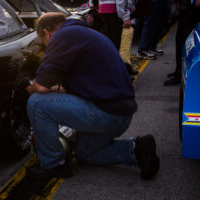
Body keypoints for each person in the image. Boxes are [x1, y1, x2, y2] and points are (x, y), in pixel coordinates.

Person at [24, 12, 160, 180]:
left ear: (46, 32)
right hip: (120, 113)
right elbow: (78, 85)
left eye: (44, 42)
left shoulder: (62, 36)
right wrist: (54, 88)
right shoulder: (84, 33)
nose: (46, 46)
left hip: (107, 113)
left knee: (37, 103)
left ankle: (53, 165)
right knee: (85, 154)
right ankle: (135, 150)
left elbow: (41, 87)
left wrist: (30, 88)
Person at [164, 0, 200, 86]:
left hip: (192, 9)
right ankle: (178, 70)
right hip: (185, 7)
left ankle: (182, 73)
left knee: (186, 41)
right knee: (180, 39)